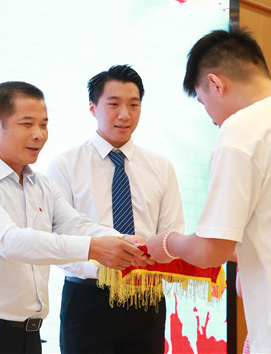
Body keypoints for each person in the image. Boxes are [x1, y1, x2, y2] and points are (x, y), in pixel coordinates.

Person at [146, 27, 271, 353]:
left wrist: (166, 242)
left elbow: (211, 251)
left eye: (203, 102)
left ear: (216, 84)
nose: (212, 120)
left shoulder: (243, 128)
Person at [0, 81, 151, 354]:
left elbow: (74, 224)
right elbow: (11, 242)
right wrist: (94, 248)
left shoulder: (42, 186)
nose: (39, 135)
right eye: (27, 124)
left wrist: (124, 242)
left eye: (44, 125)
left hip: (29, 336)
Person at [47, 65, 185, 354]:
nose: (125, 114)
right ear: (92, 108)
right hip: (88, 298)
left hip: (146, 298)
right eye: (113, 104)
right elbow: (57, 240)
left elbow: (172, 234)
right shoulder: (66, 164)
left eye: (134, 105)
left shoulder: (161, 168)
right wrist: (106, 263)